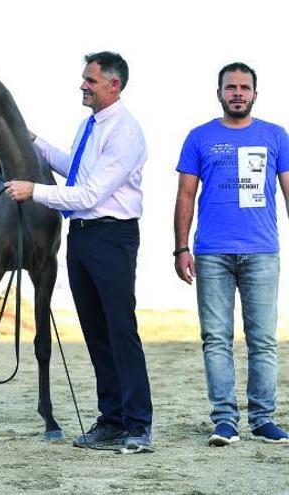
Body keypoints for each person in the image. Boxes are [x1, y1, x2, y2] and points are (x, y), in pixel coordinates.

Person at [4, 52, 152, 453]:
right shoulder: (90, 126)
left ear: (113, 85)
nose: (83, 85)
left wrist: (33, 191)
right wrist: (31, 140)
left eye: (90, 79)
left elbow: (89, 193)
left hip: (111, 237)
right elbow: (76, 171)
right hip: (83, 238)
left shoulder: (124, 131)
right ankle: (111, 420)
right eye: (84, 78)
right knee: (96, 332)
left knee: (120, 330)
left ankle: (138, 425)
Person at [173, 62, 289, 446]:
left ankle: (263, 418)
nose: (237, 93)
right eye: (230, 87)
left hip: (262, 252)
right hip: (212, 253)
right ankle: (225, 420)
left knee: (263, 340)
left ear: (255, 93)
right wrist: (182, 247)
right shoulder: (199, 137)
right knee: (216, 339)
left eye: (244, 87)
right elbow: (185, 196)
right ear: (219, 93)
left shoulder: (276, 136)